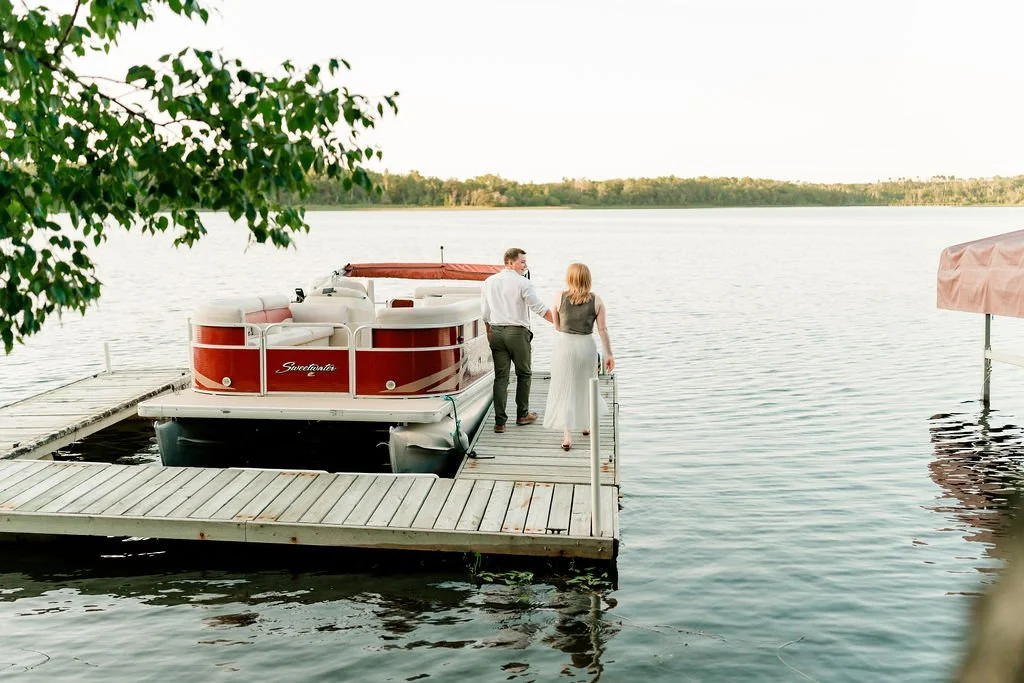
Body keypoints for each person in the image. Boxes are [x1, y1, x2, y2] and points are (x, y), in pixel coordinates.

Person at [543, 262, 615, 450]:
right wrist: (609, 353)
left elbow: (557, 326)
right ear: (588, 279)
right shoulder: (597, 300)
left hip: (564, 347)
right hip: (586, 347)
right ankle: (585, 425)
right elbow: (602, 329)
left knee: (564, 388)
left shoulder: (559, 296)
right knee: (586, 385)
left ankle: (567, 436)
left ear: (569, 278)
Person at [481, 247, 553, 433]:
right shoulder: (523, 283)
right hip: (517, 334)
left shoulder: (489, 282)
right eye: (522, 262)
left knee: (501, 377)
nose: (525, 265)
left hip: (496, 332)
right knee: (524, 374)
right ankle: (522, 415)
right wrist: (559, 323)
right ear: (510, 262)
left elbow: (485, 312)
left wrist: (489, 331)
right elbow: (538, 307)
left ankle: (500, 423)